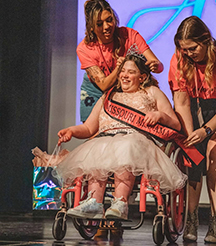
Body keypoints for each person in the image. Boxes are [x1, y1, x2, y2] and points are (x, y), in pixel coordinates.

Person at [50, 53, 187, 224]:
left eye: (131, 72)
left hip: (136, 143)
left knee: (125, 146)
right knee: (97, 146)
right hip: (106, 140)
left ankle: (120, 203)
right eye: (123, 71)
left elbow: (175, 124)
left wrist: (159, 115)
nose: (124, 75)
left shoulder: (152, 92)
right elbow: (89, 128)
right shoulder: (108, 97)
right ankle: (94, 202)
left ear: (142, 77)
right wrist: (71, 130)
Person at [168, 16, 216, 243]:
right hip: (194, 105)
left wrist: (206, 131)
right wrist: (191, 136)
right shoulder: (180, 59)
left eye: (193, 48)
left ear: (206, 41)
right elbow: (182, 103)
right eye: (184, 50)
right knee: (193, 154)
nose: (189, 54)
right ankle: (191, 218)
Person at [78, 0, 163, 122]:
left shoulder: (130, 35)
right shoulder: (84, 48)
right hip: (96, 91)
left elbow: (159, 66)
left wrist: (156, 66)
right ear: (91, 27)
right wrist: (120, 67)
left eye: (109, 20)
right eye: (99, 24)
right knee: (95, 134)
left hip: (125, 88)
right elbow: (103, 85)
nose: (107, 26)